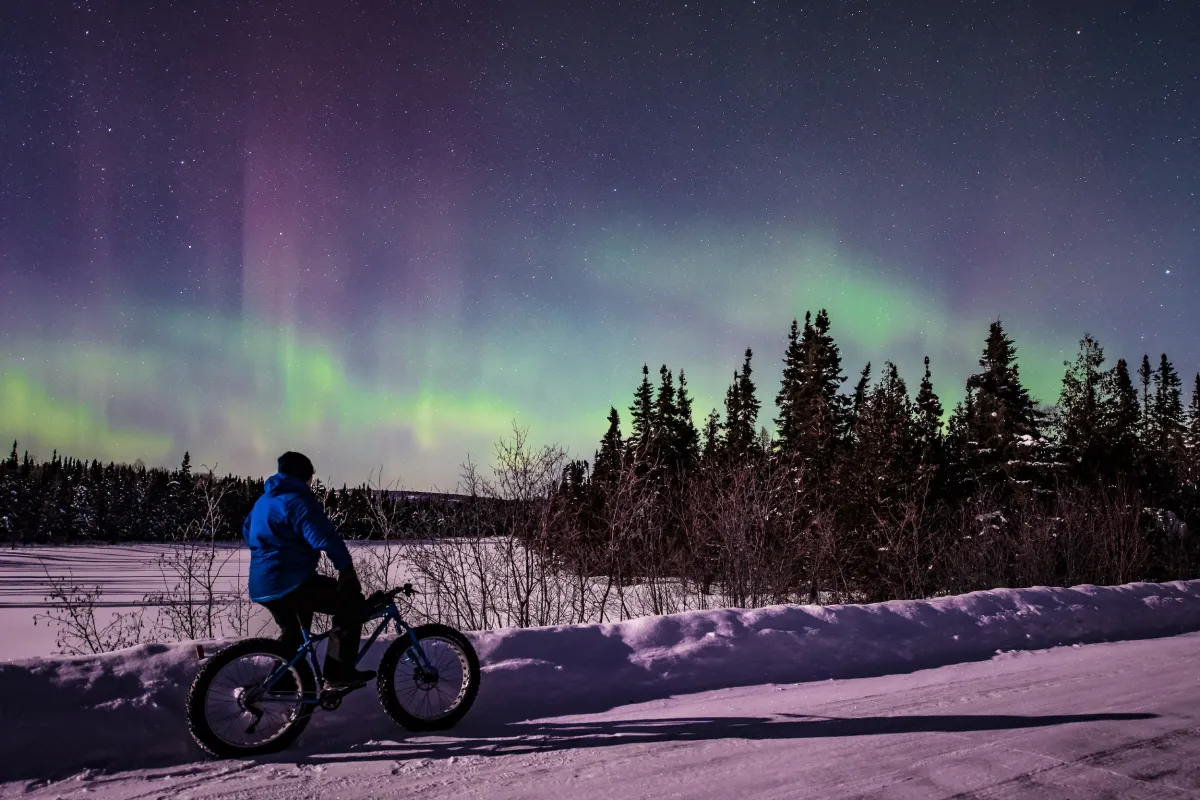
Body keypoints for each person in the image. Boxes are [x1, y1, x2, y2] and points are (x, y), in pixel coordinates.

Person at [242, 451, 375, 687]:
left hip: (262, 584)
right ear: (303, 474)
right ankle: (338, 673)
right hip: (290, 581)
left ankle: (281, 685)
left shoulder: (264, 501)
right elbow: (324, 537)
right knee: (351, 603)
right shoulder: (297, 500)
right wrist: (346, 570)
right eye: (310, 476)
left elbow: (247, 531)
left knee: (293, 632)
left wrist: (273, 548)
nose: (311, 482)